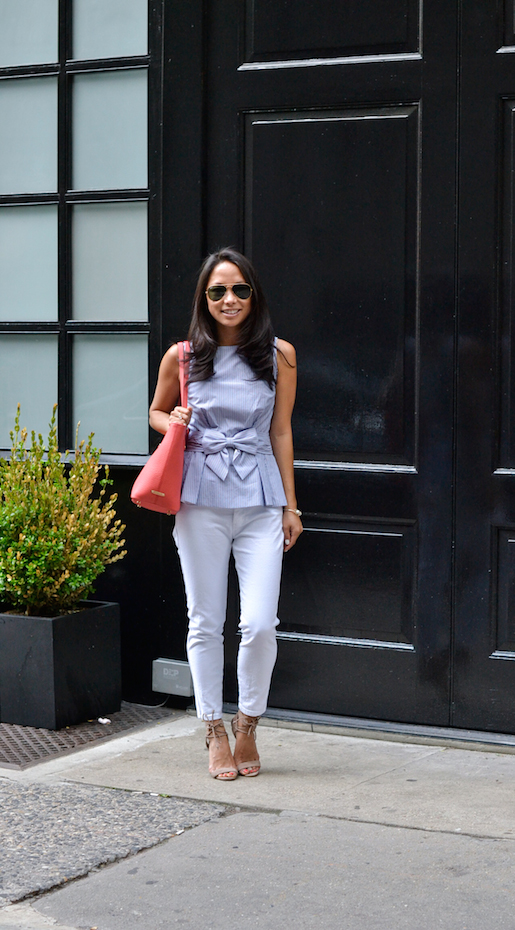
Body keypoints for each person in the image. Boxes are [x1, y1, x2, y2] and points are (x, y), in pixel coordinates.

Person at [149, 248, 303, 779]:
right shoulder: (183, 356)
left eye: (238, 289)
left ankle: (248, 724)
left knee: (260, 623)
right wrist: (173, 421)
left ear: (253, 294)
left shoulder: (280, 355)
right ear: (204, 299)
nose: (229, 300)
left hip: (261, 501)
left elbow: (281, 431)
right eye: (217, 292)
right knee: (205, 620)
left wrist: (291, 504)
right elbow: (156, 410)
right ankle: (212, 727)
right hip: (200, 500)